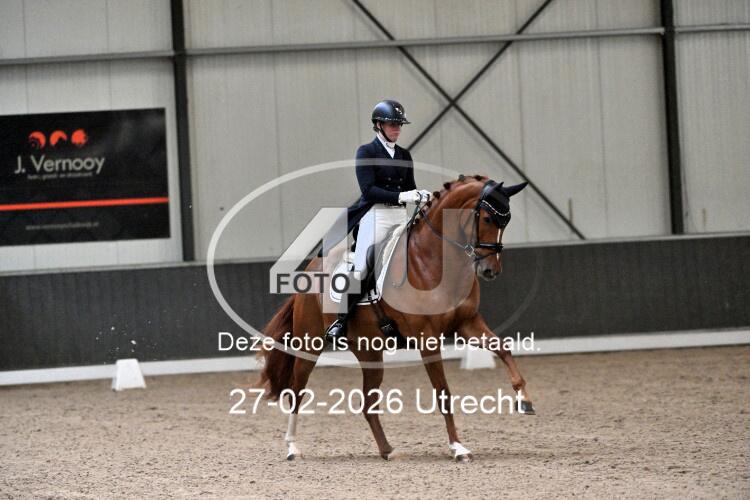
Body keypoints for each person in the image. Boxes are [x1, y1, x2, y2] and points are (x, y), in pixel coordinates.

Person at [324, 100, 432, 344]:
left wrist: (420, 196)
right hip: (376, 216)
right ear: (379, 125)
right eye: (392, 124)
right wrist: (403, 196)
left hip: (400, 216)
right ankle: (340, 321)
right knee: (363, 266)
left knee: (416, 258)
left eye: (399, 125)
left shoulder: (404, 155)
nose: (397, 129)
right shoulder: (366, 152)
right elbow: (369, 190)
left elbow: (410, 187)